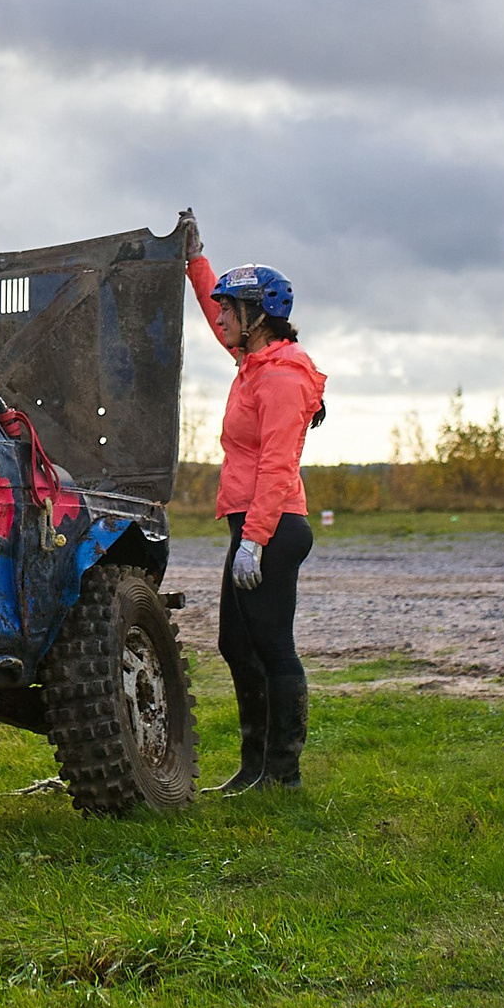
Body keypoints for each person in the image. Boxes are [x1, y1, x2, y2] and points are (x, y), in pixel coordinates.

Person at [187, 226, 327, 793]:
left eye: (230, 310)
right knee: (235, 645)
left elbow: (277, 464)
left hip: (273, 527)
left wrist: (256, 540)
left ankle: (283, 774)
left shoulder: (283, 380)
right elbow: (209, 308)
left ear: (257, 318)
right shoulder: (253, 365)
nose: (220, 319)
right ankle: (253, 768)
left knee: (272, 648)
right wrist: (196, 262)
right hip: (249, 525)